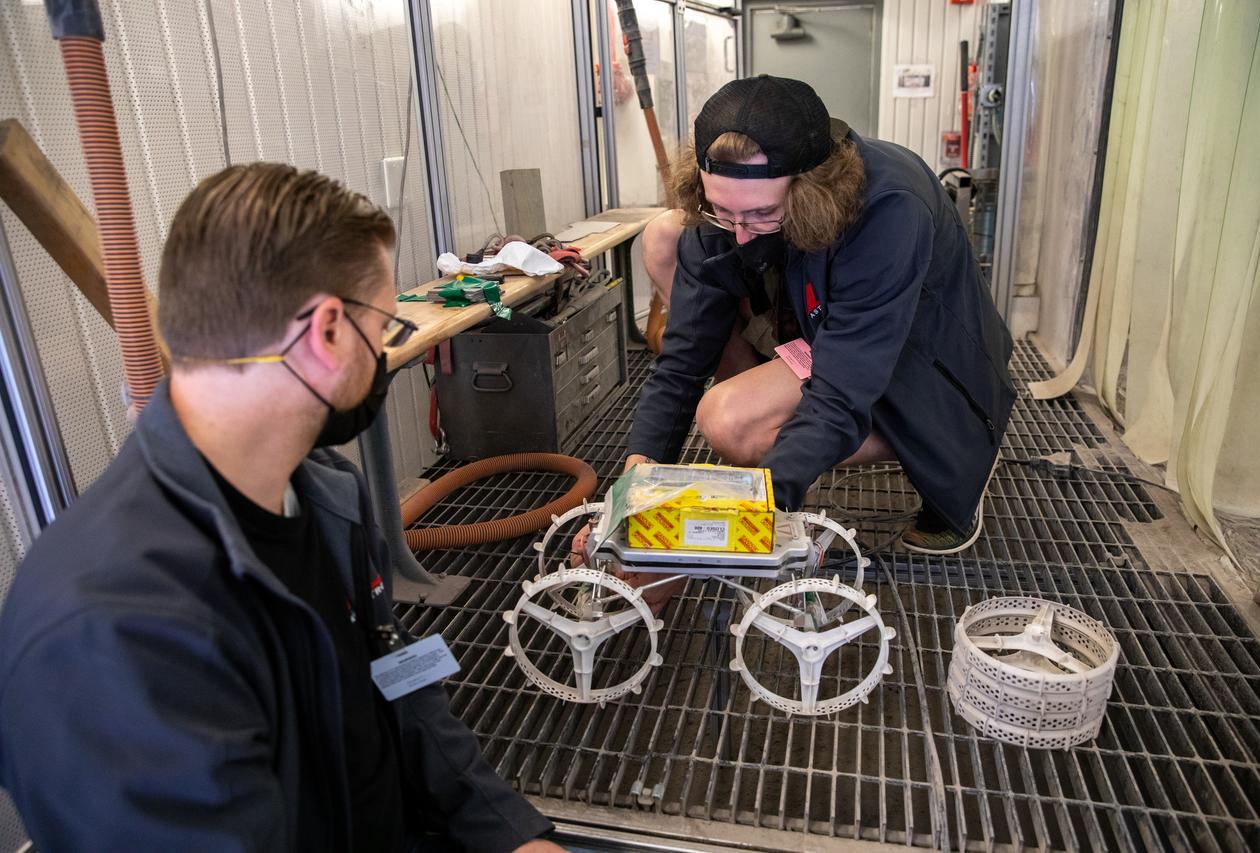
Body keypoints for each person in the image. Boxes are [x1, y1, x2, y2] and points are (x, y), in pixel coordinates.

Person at [0, 163, 562, 853]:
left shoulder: (325, 494)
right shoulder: (110, 632)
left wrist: (509, 834)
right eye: (385, 328)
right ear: (326, 333)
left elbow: (398, 679)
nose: (387, 355)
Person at [624, 76, 1015, 601]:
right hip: (816, 313)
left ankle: (950, 446)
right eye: (724, 211)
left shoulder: (888, 208)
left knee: (735, 424)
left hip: (916, 355)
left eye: (762, 213)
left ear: (811, 191)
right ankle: (783, 439)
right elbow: (683, 358)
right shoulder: (730, 204)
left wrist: (756, 516)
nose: (738, 230)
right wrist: (638, 475)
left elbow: (841, 390)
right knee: (667, 236)